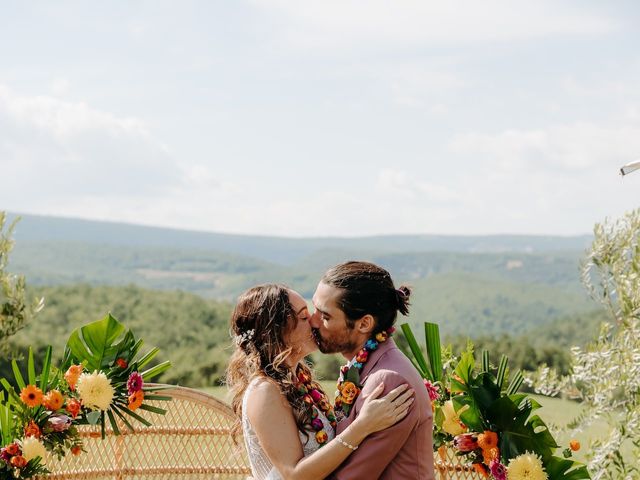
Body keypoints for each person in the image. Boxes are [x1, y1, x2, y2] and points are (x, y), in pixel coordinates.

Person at [226, 284, 414, 480]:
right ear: (275, 330)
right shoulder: (265, 390)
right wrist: (363, 426)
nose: (315, 322)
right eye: (303, 317)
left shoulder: (297, 380)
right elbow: (294, 475)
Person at [310, 261, 435, 479]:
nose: (313, 321)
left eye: (325, 316)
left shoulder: (388, 382)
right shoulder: (364, 365)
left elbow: (353, 475)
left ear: (364, 324)